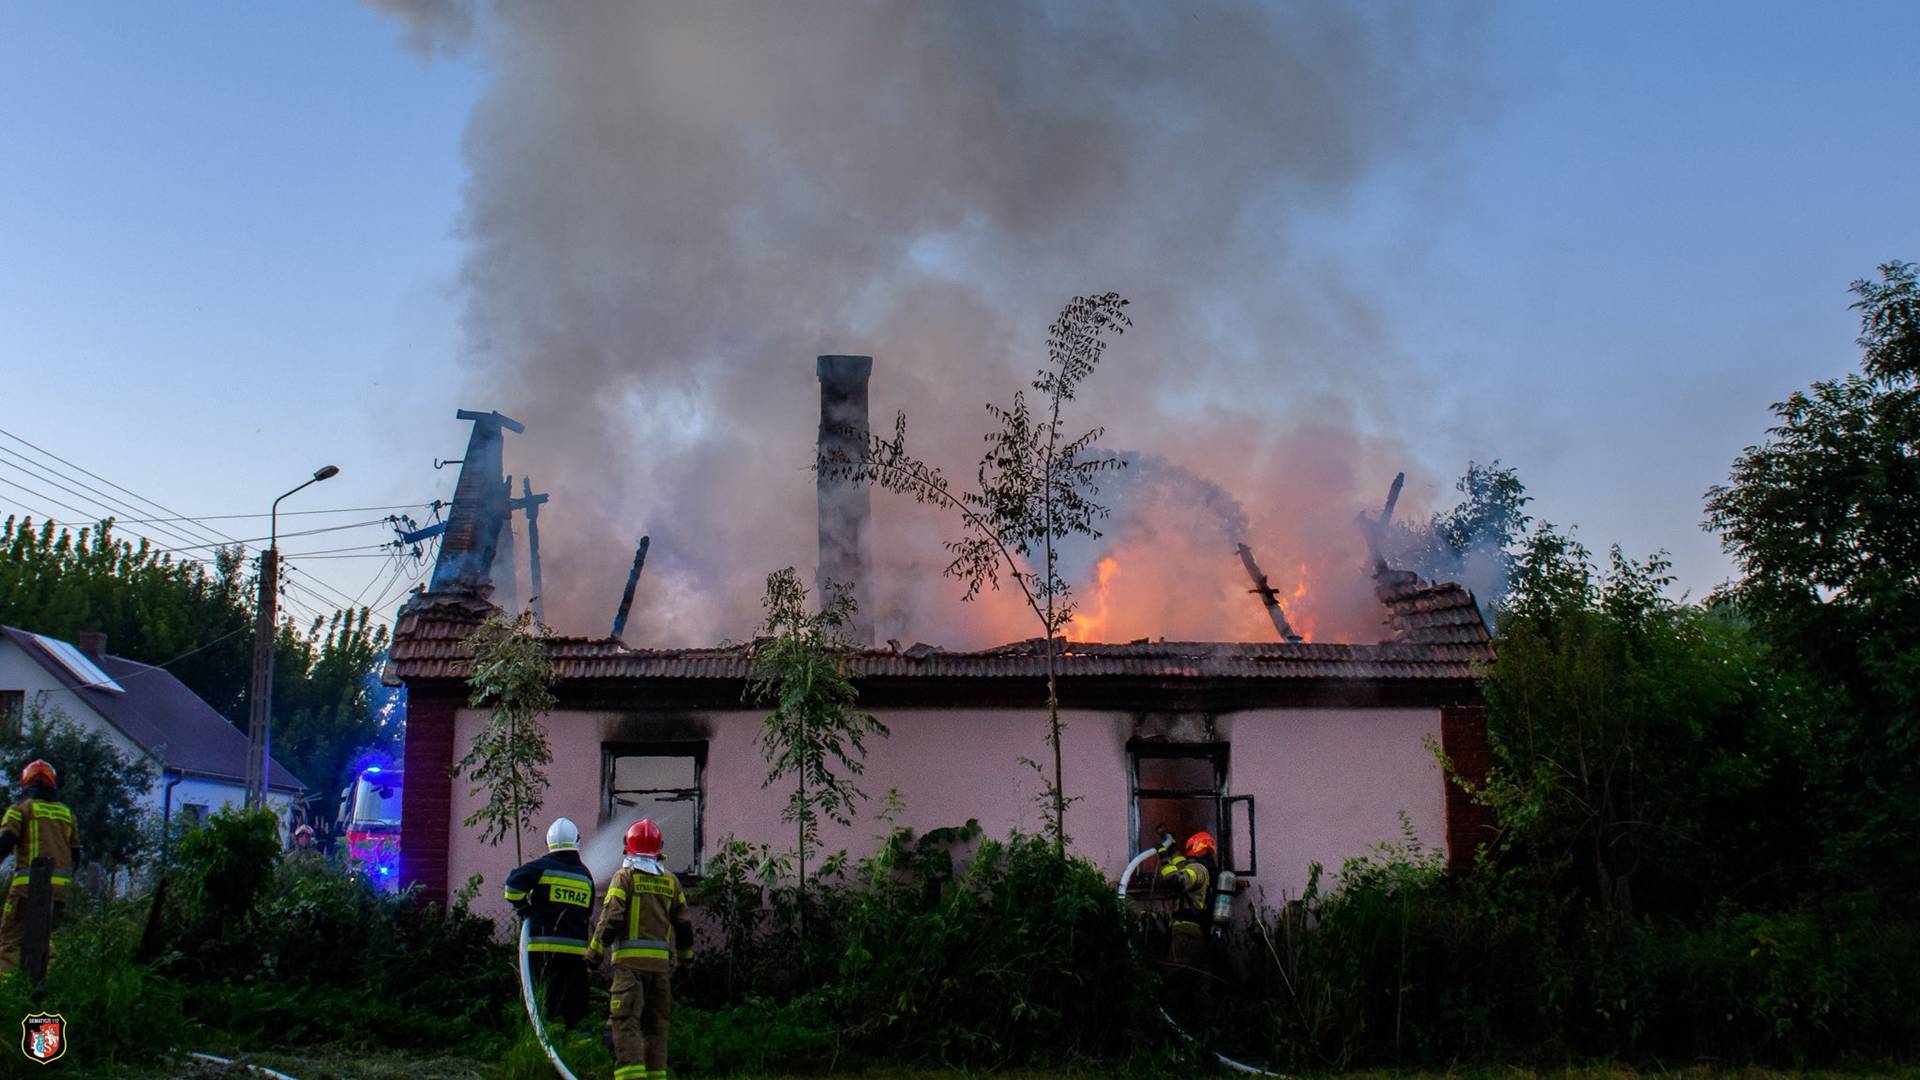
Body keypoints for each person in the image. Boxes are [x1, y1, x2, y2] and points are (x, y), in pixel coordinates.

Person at [587, 819, 693, 1080]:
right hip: (661, 971)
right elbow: (684, 927)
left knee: (626, 1024)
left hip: (630, 970)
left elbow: (611, 919)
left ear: (628, 847)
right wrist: (685, 963)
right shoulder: (671, 882)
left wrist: (594, 955)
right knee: (656, 1028)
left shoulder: (624, 878)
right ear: (659, 848)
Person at [503, 816, 596, 1030]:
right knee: (575, 1004)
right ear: (577, 840)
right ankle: (578, 1040)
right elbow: (588, 911)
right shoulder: (585, 875)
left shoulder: (541, 868)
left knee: (543, 1000)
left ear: (549, 842)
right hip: (575, 953)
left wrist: (523, 908)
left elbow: (512, 887)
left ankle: (544, 1037)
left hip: (542, 950)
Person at [0, 760, 80, 976]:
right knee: (45, 938)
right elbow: (76, 856)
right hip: (60, 893)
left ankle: (8, 990)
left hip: (26, 890)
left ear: (25, 783)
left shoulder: (20, 809)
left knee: (10, 940)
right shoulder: (67, 814)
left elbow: (5, 842)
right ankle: (47, 985)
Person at [1156, 829, 1216, 1012]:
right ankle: (1203, 1025)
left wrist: (1163, 855)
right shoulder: (1200, 868)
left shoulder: (1197, 869)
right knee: (1199, 986)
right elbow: (1180, 863)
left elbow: (1176, 882)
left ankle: (1169, 1020)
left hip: (1186, 933)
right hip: (1199, 933)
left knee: (1173, 978)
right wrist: (1171, 847)